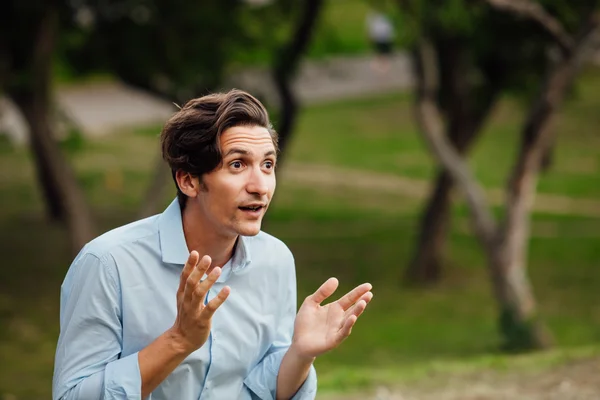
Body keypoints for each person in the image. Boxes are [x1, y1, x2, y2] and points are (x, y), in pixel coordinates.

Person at [52, 89, 373, 400]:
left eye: (268, 165)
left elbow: (260, 387)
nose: (260, 186)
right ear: (189, 180)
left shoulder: (275, 259)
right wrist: (178, 341)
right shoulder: (108, 263)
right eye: (237, 164)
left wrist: (301, 354)